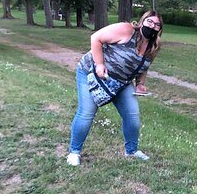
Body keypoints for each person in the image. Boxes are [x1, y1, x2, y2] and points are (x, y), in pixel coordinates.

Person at [67, 11, 163, 166]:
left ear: (160, 29)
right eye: (150, 22)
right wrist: (99, 64)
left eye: (157, 25)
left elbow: (144, 67)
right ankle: (74, 152)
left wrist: (140, 84)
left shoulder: (153, 46)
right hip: (91, 73)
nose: (152, 26)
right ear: (142, 21)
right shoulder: (126, 30)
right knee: (87, 113)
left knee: (132, 115)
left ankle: (131, 151)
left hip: (121, 83)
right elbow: (95, 38)